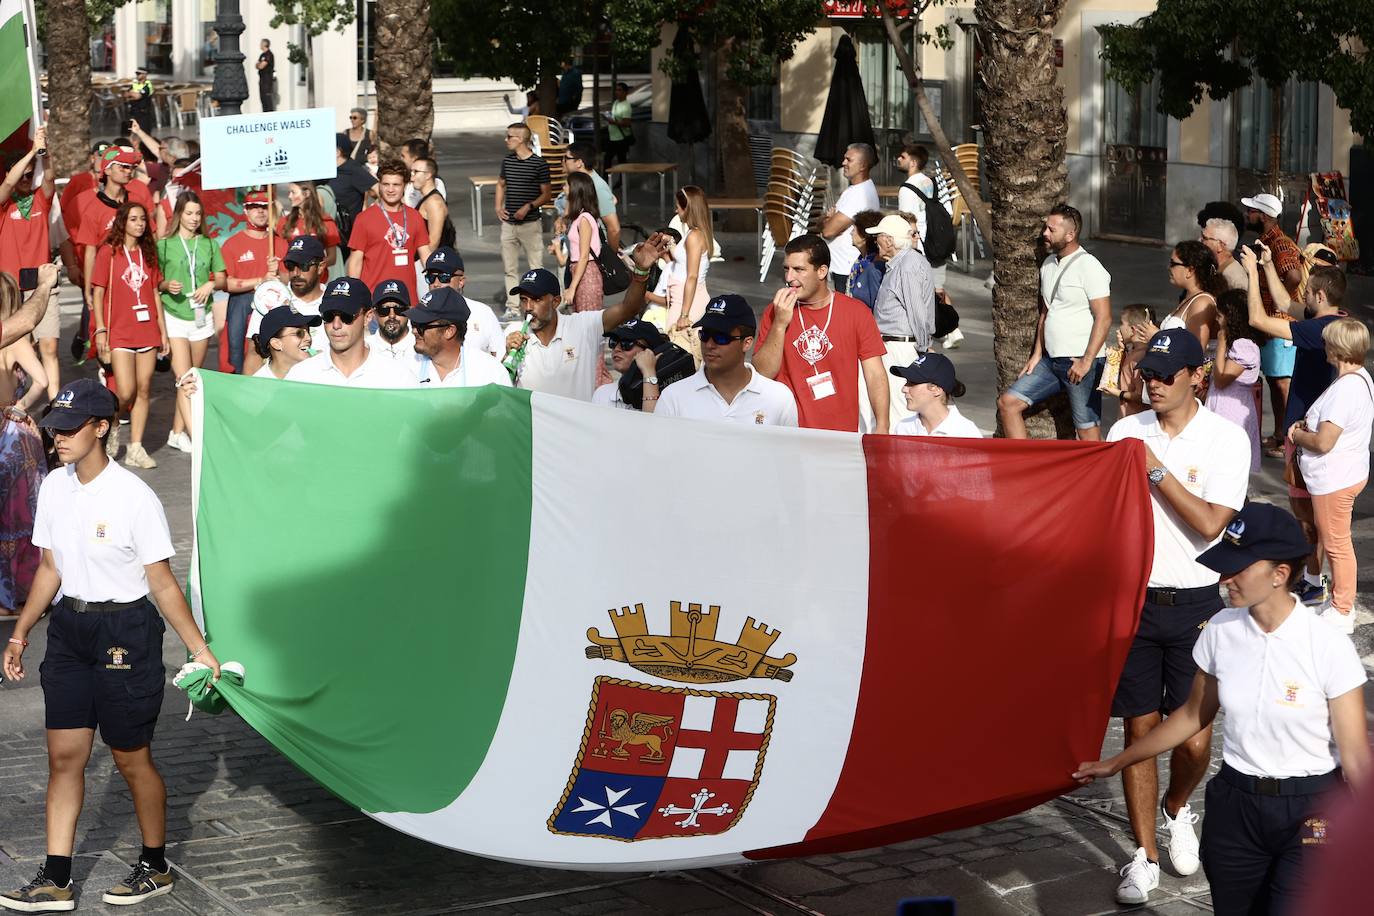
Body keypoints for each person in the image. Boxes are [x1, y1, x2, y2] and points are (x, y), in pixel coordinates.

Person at [1074, 502, 1369, 916]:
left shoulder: (1327, 646)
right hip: (1235, 807)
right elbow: (1193, 715)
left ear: (1279, 575)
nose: (1224, 578)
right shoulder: (1220, 630)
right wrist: (1116, 762)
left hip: (1311, 811)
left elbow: (1355, 755)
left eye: (1237, 569)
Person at [0, 378, 222, 913]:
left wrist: (198, 648)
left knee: (130, 757)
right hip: (71, 633)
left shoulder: (134, 497)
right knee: (64, 757)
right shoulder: (54, 486)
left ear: (103, 428)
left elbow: (163, 583)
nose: (58, 440)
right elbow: (50, 568)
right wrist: (21, 631)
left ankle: (155, 865)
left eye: (71, 430)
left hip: (126, 633)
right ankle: (56, 879)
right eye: (55, 430)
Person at [1103, 329, 1251, 907]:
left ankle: (1177, 806)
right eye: (1148, 373)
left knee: (1193, 739)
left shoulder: (1226, 439)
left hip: (1198, 605)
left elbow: (1212, 524)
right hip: (1135, 601)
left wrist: (1155, 470)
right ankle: (1143, 855)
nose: (1154, 382)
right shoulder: (1123, 432)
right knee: (1139, 732)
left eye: (1167, 373)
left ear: (1198, 377)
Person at [1243, 250, 1347, 607]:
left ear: (1320, 296)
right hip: (1316, 429)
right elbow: (1287, 301)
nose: (1301, 296)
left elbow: (1258, 317)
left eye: (1308, 292)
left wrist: (1250, 275)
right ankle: (1315, 577)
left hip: (1304, 431)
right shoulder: (1335, 320)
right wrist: (1269, 265)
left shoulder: (1316, 330)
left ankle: (1314, 581)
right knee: (1312, 515)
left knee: (1306, 517)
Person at [997, 203, 1111, 441]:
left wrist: (1086, 361)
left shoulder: (1089, 266)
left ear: (1070, 235)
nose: (1044, 234)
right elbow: (1045, 313)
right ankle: (1026, 469)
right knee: (1008, 403)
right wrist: (1036, 354)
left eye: (1051, 229)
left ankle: (1098, 478)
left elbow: (1104, 317)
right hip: (1050, 362)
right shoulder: (1048, 265)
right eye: (1045, 228)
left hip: (1079, 362)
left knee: (1087, 431)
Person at [753, 234, 889, 433]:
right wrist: (780, 325)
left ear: (822, 271)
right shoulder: (775, 311)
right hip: (788, 432)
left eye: (799, 270)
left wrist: (882, 425)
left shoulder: (856, 312)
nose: (789, 278)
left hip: (839, 435)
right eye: (786, 269)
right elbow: (763, 373)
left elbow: (875, 374)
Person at [504, 236, 667, 401]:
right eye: (524, 300)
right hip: (531, 425)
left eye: (536, 299)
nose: (528, 307)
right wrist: (507, 355)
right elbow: (500, 383)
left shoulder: (583, 326)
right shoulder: (513, 333)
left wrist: (641, 272)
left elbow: (628, 309)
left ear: (555, 302)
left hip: (574, 426)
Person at [1290, 318, 1372, 636]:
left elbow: (1324, 442)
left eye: (1327, 342)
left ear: (1337, 349)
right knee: (1338, 541)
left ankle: (1342, 609)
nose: (1323, 346)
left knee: (1337, 544)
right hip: (1346, 473)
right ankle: (1340, 603)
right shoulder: (1359, 379)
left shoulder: (1345, 390)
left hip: (1335, 478)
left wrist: (1297, 435)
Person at [91, 202, 166, 470]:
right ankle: (110, 420)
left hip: (147, 329)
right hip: (119, 330)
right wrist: (101, 329)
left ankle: (136, 447)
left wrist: (163, 331)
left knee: (145, 388)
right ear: (123, 222)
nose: (140, 224)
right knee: (125, 391)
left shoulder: (148, 252)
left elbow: (155, 293)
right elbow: (98, 293)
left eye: (143, 219)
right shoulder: (108, 254)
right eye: (134, 219)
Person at [654, 294, 797, 426]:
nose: (709, 345)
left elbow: (788, 452)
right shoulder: (673, 397)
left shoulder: (779, 399)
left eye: (721, 337)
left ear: (747, 343)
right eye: (704, 335)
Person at [157, 191, 225, 454]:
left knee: (191, 379)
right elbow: (155, 281)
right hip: (174, 314)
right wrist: (165, 284)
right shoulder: (164, 245)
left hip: (201, 316)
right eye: (189, 213)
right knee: (184, 378)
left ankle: (176, 432)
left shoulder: (208, 243)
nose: (194, 218)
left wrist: (210, 283)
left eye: (198, 213)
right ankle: (194, 435)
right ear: (179, 215)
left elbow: (221, 278)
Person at [0, 128, 60, 400]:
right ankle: (15, 403)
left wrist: (43, 152)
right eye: (22, 174)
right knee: (19, 347)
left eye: (29, 173)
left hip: (43, 284)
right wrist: (30, 153)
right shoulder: (4, 204)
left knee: (49, 347)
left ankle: (56, 409)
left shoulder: (41, 199)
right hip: (11, 290)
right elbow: (9, 183)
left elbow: (49, 176)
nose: (26, 178)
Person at [1242, 193, 1302, 456]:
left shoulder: (1279, 244)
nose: (1248, 215)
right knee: (1275, 382)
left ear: (1263, 215)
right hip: (1269, 326)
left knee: (1282, 384)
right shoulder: (1265, 242)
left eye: (1252, 211)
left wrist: (1278, 307)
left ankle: (1288, 439)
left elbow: (1293, 275)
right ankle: (1279, 434)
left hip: (1279, 327)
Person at [867, 213, 935, 429]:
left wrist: (923, 350)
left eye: (878, 236)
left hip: (901, 347)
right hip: (895, 345)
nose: (875, 241)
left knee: (898, 411)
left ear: (888, 240)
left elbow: (918, 312)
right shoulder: (900, 264)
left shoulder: (907, 265)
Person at [284, 278, 416, 388]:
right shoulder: (301, 376)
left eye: (346, 316)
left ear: (367, 317)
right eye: (328, 316)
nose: (336, 325)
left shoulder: (397, 377)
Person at [73, 146, 156, 308]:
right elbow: (90, 252)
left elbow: (152, 239)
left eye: (131, 167)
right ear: (108, 170)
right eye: (123, 167)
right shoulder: (93, 209)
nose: (129, 171)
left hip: (137, 276)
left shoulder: (137, 201)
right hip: (108, 278)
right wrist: (89, 289)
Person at [219, 189, 287, 374]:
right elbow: (226, 284)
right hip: (242, 304)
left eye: (265, 207)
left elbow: (289, 280)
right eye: (254, 207)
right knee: (237, 354)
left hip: (274, 305)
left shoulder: (279, 243)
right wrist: (260, 280)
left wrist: (278, 273)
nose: (260, 211)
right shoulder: (232, 244)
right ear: (245, 210)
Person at [346, 160, 425, 301]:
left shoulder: (415, 216)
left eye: (396, 185)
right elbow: (355, 261)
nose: (390, 190)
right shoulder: (364, 219)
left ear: (405, 186)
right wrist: (354, 298)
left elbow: (426, 255)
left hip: (408, 300)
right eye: (385, 184)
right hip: (374, 300)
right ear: (379, 185)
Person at [496, 123, 552, 316]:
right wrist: (498, 207)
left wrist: (529, 206)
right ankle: (512, 307)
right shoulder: (508, 161)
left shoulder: (539, 164)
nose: (506, 140)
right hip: (509, 225)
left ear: (520, 139)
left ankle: (538, 305)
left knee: (536, 267)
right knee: (509, 268)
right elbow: (501, 184)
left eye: (509, 136)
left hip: (530, 224)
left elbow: (546, 194)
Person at [1207, 289, 1264, 472]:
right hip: (1221, 405)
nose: (1217, 319)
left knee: (1228, 462)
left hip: (1231, 410)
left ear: (1230, 316)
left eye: (1220, 315)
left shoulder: (1244, 346)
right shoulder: (1237, 344)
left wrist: (1222, 342)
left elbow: (1222, 379)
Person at [408, 287, 510, 388]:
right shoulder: (406, 368)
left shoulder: (490, 372)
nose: (414, 331)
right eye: (414, 323)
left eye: (421, 326)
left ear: (449, 331)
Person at [421, 247, 503, 361]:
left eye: (444, 277)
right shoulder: (419, 316)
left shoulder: (483, 313)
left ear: (461, 282)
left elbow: (500, 357)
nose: (436, 284)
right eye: (431, 277)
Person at [821, 144, 880, 291]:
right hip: (845, 266)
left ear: (862, 165)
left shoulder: (859, 193)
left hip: (847, 268)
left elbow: (828, 232)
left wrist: (829, 221)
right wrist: (828, 220)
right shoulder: (855, 189)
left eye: (849, 159)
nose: (843, 163)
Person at [890, 352, 981, 438]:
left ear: (936, 389)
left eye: (913, 383)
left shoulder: (966, 433)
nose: (904, 389)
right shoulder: (903, 428)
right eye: (907, 382)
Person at [666, 186, 713, 340]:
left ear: (688, 208)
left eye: (678, 207)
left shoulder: (694, 236)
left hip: (687, 300)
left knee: (678, 350)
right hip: (683, 296)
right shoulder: (694, 233)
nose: (676, 210)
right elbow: (683, 261)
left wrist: (684, 314)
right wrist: (670, 244)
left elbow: (692, 276)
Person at [1160, 239, 1222, 352]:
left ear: (1190, 270)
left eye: (1173, 263)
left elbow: (1196, 351)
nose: (1168, 267)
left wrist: (1156, 338)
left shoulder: (1202, 302)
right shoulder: (1189, 298)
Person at [593, 319, 664, 410]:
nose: (617, 349)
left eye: (626, 343)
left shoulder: (668, 394)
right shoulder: (602, 394)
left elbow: (654, 423)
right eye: (613, 342)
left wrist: (649, 372)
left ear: (650, 351)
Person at [277, 181, 341, 281]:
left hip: (318, 281)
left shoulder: (326, 222)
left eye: (293, 192)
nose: (289, 196)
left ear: (306, 193)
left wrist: (312, 266)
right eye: (289, 192)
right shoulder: (284, 222)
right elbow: (281, 255)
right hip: (293, 280)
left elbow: (332, 258)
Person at [562, 143, 620, 251]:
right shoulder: (576, 182)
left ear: (579, 163)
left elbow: (614, 229)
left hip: (592, 256)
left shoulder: (597, 187)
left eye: (566, 158)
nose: (563, 162)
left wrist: (612, 256)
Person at [327, 138, 378, 252]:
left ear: (337, 152)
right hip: (327, 232)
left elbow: (379, 190)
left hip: (347, 236)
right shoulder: (326, 170)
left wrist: (374, 215)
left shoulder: (353, 169)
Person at [1109, 304, 1156, 418]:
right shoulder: (1133, 352)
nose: (1119, 328)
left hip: (1135, 420)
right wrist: (1122, 349)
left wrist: (1117, 393)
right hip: (1127, 417)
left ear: (1133, 329)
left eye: (1122, 323)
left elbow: (1142, 396)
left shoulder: (1140, 358)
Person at [251, 305, 318, 379]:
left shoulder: (322, 374)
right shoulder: (258, 386)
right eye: (299, 333)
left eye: (308, 331)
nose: (308, 338)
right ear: (276, 343)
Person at [410, 157, 454, 254]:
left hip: (430, 262)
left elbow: (433, 243)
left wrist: (424, 266)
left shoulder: (434, 202)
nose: (411, 177)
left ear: (428, 175)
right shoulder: (427, 199)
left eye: (415, 172)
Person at [845, 210, 886, 311]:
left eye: (854, 229)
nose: (851, 233)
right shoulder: (862, 261)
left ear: (864, 236)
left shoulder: (875, 267)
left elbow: (877, 305)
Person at [367, 280, 415, 362]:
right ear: (374, 313)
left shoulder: (423, 346)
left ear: (409, 311)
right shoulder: (365, 347)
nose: (392, 315)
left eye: (399, 309)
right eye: (384, 310)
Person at [1200, 218, 1246, 292]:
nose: (1200, 240)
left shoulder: (1236, 279)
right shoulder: (1211, 266)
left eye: (1204, 238)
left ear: (1220, 245)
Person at [399, 139, 448, 208]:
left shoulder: (436, 182)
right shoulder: (407, 178)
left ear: (414, 158)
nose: (400, 159)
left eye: (403, 156)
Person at [604, 82, 634, 173]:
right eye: (616, 90)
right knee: (607, 160)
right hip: (613, 137)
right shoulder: (616, 102)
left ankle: (621, 181)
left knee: (621, 161)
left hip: (621, 138)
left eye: (619, 90)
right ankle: (607, 180)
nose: (617, 92)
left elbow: (627, 123)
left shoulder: (626, 106)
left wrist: (613, 122)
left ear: (625, 92)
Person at [255, 39, 275, 112]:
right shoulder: (262, 55)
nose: (260, 45)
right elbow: (257, 65)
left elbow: (261, 66)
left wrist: (259, 65)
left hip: (267, 81)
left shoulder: (269, 54)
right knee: (262, 99)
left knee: (267, 100)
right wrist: (259, 65)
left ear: (264, 44)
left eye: (261, 43)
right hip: (262, 80)